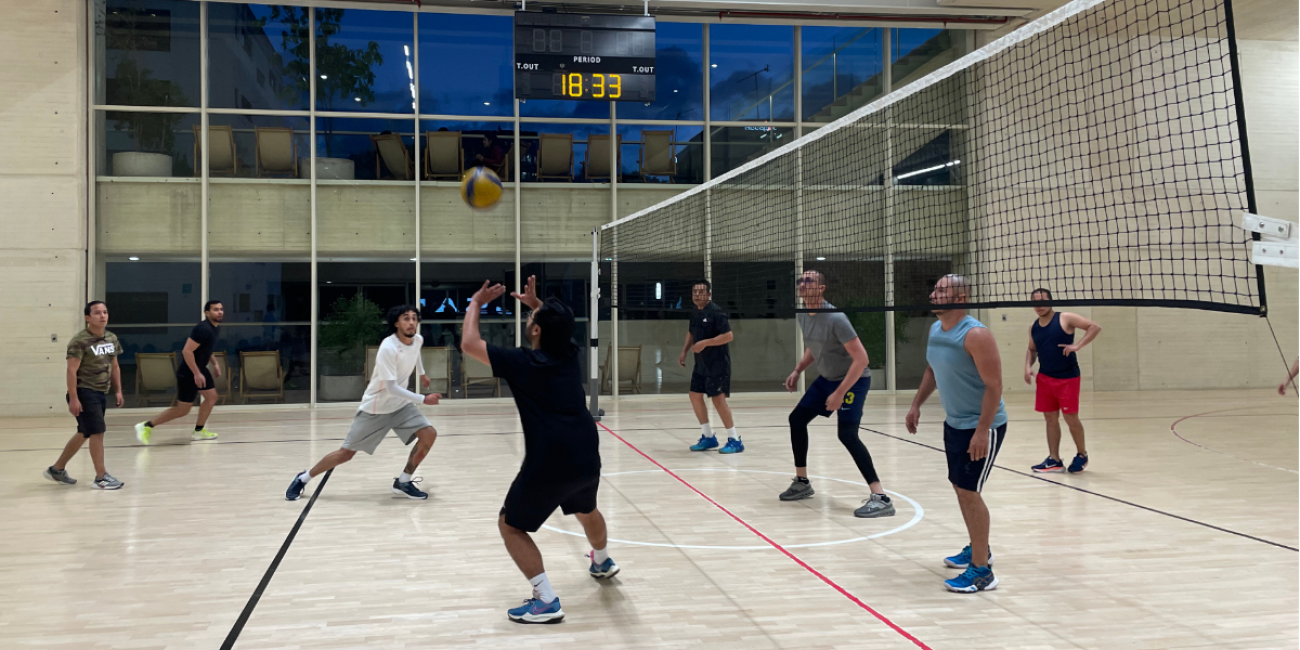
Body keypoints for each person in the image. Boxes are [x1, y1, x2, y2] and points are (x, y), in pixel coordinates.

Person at [462, 276, 615, 624]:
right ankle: (603, 561)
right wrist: (536, 307)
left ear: (535, 332)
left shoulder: (523, 364)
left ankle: (545, 600)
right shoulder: (570, 354)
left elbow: (470, 343)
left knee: (511, 525)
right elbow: (554, 328)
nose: (531, 321)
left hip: (550, 460)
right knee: (587, 508)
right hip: (587, 451)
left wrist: (474, 303)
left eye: (532, 320)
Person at [905, 274, 1007, 593]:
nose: (933, 294)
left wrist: (981, 430)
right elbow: (932, 370)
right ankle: (979, 548)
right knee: (961, 489)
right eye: (934, 289)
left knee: (970, 492)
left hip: (982, 426)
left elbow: (994, 386)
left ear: (960, 299)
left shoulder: (976, 334)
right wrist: (916, 405)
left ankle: (981, 571)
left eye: (941, 290)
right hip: (954, 423)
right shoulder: (936, 329)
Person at [286, 305, 439, 501]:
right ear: (396, 323)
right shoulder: (388, 348)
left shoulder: (417, 339)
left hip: (401, 405)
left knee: (429, 435)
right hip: (376, 408)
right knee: (346, 454)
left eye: (414, 318)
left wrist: (422, 372)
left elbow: (415, 352)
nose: (411, 322)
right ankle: (303, 478)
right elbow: (391, 388)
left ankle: (404, 481)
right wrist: (423, 399)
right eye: (406, 318)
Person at [780, 270, 894, 518]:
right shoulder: (803, 314)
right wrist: (798, 369)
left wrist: (841, 392)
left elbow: (862, 359)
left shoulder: (835, 317)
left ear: (821, 288)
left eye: (808, 281)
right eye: (799, 280)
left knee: (847, 435)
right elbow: (815, 345)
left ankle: (881, 497)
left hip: (853, 381)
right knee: (796, 419)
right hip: (827, 380)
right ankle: (802, 482)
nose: (802, 284)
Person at [45, 301, 125, 490]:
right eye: (97, 313)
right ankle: (101, 477)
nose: (103, 316)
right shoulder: (79, 341)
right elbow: (71, 371)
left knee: (85, 432)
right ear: (87, 317)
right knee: (97, 432)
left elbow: (114, 366)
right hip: (84, 392)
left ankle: (57, 469)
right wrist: (73, 398)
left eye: (105, 312)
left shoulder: (111, 338)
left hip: (100, 392)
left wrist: (119, 390)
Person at [1024, 288, 1101, 474]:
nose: (1039, 305)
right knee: (1050, 418)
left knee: (1070, 418)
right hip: (1045, 377)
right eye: (1035, 302)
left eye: (1042, 300)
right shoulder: (1034, 326)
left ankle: (1082, 454)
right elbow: (1032, 349)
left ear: (1051, 301)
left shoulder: (1065, 318)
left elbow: (1094, 327)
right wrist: (1027, 366)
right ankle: (1054, 460)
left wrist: (1078, 345)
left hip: (1068, 377)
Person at [135, 300, 226, 444]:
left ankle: (199, 431)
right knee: (183, 410)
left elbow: (205, 350)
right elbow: (187, 351)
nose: (220, 312)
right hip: (189, 372)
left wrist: (215, 364)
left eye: (221, 309)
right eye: (216, 309)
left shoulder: (215, 328)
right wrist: (196, 373)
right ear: (207, 313)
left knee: (211, 397)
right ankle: (146, 426)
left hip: (200, 369)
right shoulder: (202, 329)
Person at [679, 280, 742, 453]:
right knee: (694, 395)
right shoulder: (694, 312)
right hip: (701, 364)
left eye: (701, 292)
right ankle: (708, 437)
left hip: (718, 363)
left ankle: (735, 440)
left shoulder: (717, 312)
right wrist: (684, 351)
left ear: (708, 294)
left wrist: (705, 343)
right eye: (694, 292)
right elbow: (691, 332)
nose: (697, 295)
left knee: (718, 399)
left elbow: (728, 336)